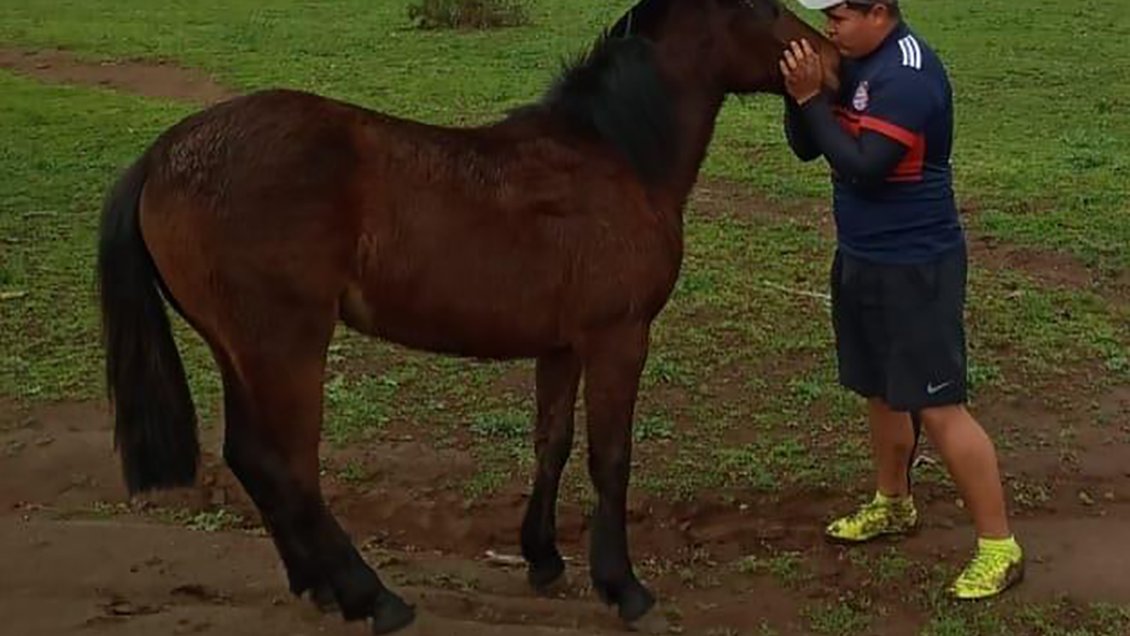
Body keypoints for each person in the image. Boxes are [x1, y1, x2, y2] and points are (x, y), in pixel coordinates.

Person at [777, 0, 1024, 600]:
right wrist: (796, 94)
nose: (827, 25)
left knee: (939, 407)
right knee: (881, 390)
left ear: (879, 11)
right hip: (862, 256)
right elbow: (808, 147)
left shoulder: (907, 75)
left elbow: (865, 165)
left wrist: (813, 100)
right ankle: (893, 503)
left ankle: (1000, 546)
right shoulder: (852, 60)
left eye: (836, 14)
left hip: (917, 266)